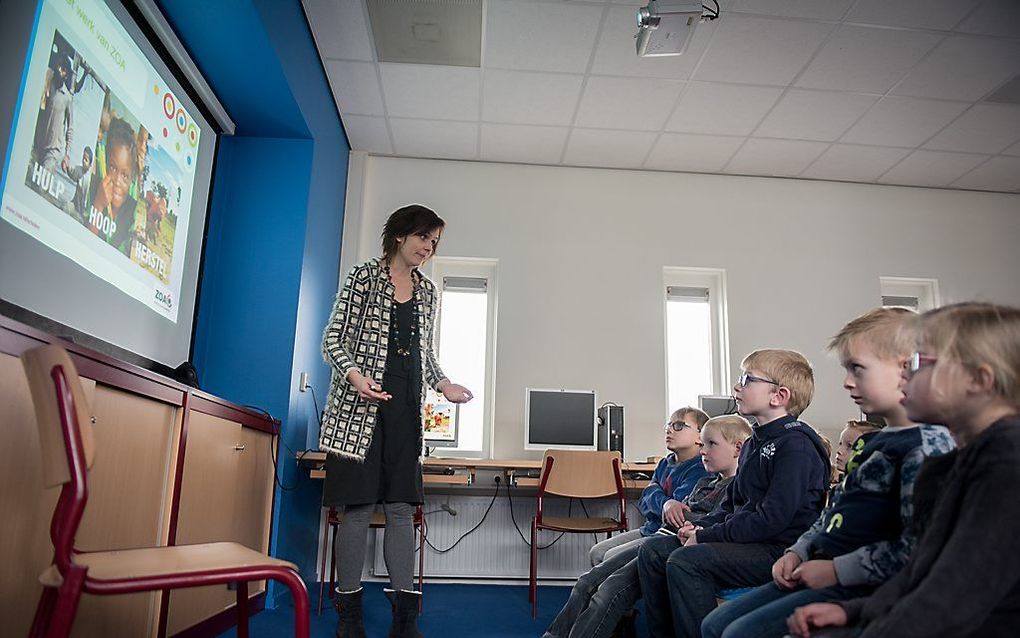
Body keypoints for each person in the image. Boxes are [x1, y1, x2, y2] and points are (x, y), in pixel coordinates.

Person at [701, 307, 955, 638]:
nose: (848, 382)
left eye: (858, 369)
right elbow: (834, 514)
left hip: (858, 585)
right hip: (814, 565)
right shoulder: (874, 443)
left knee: (737, 633)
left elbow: (918, 547)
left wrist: (836, 570)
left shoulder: (925, 448)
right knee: (713, 625)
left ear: (907, 368)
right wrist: (799, 550)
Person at [788, 302, 1020, 638]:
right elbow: (922, 571)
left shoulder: (1005, 461)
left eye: (917, 363)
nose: (904, 375)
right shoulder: (963, 458)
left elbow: (953, 597)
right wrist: (854, 610)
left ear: (977, 380)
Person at [319, 204, 473, 638]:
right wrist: (355, 376)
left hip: (405, 412)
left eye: (435, 242)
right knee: (357, 511)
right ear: (401, 235)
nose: (429, 247)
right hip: (357, 412)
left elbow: (424, 355)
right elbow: (332, 339)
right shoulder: (363, 277)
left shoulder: (427, 292)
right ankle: (348, 619)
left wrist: (443, 385)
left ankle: (403, 621)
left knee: (403, 511)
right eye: (424, 237)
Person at [637, 349, 830, 638]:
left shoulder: (796, 446)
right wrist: (698, 527)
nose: (737, 386)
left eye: (747, 379)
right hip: (751, 540)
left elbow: (771, 520)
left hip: (778, 548)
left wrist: (704, 537)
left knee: (687, 562)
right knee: (653, 551)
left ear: (779, 396)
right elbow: (730, 506)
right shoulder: (755, 443)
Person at [544, 414, 751, 638]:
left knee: (607, 592)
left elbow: (689, 518)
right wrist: (669, 506)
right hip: (660, 538)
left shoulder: (735, 487)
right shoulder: (705, 482)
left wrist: (674, 510)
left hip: (668, 546)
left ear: (738, 449)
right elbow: (659, 506)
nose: (703, 450)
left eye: (711, 444)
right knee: (588, 582)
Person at [589, 406, 711, 568]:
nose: (669, 430)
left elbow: (677, 514)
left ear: (700, 436)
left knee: (611, 556)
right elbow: (645, 503)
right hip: (650, 528)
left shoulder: (700, 468)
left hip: (668, 535)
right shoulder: (664, 463)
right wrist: (665, 502)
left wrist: (655, 491)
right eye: (669, 425)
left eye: (679, 426)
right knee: (597, 552)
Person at [88, 117, 137, 255]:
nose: (117, 180)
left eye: (125, 175)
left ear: (131, 179)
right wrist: (98, 205)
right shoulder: (92, 190)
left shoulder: (132, 212)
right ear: (104, 163)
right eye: (113, 168)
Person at [37, 55, 73, 172]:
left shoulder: (67, 98)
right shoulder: (48, 84)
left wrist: (67, 154)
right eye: (59, 67)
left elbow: (70, 128)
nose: (59, 70)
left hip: (53, 151)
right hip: (40, 144)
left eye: (63, 69)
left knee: (42, 188)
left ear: (67, 75)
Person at [65, 146, 93, 221]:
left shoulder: (89, 179)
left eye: (86, 160)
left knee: (79, 220)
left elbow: (87, 198)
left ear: (90, 164)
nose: (84, 161)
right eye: (83, 158)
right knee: (65, 207)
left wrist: (84, 212)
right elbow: (73, 174)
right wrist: (67, 167)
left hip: (81, 211)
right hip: (74, 204)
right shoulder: (79, 169)